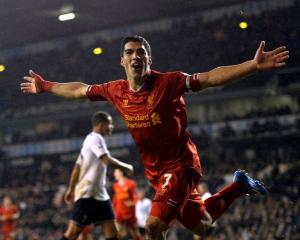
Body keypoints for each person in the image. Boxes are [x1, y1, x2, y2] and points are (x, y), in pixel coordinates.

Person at [20, 35, 289, 240]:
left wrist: (252, 66)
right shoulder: (115, 90)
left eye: (141, 52)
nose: (135, 56)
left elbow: (209, 78)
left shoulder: (169, 82)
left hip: (181, 165)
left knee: (153, 227)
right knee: (203, 226)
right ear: (122, 61)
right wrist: (45, 86)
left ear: (149, 59)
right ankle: (239, 186)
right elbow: (78, 90)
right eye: (129, 53)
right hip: (156, 173)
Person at [61, 111, 134, 240]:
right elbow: (106, 159)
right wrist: (126, 167)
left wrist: (71, 189)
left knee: (112, 233)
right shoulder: (96, 138)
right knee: (73, 234)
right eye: (109, 124)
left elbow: (77, 168)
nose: (112, 126)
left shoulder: (88, 140)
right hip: (88, 193)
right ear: (101, 125)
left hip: (100, 195)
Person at [112, 168, 142, 240]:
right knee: (119, 232)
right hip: (119, 211)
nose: (114, 174)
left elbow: (135, 196)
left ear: (121, 173)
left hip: (129, 212)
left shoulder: (130, 184)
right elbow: (116, 197)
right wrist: (112, 207)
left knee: (134, 231)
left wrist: (132, 203)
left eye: (116, 172)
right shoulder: (115, 185)